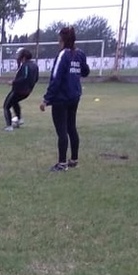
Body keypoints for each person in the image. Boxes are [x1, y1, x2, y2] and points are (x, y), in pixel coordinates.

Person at [40, 26, 90, 171]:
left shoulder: (63, 55)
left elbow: (55, 78)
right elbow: (85, 71)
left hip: (61, 98)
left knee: (62, 131)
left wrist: (46, 99)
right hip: (74, 97)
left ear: (61, 39)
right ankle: (74, 160)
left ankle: (62, 164)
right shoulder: (79, 54)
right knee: (71, 127)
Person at [2, 48, 39, 131]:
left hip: (19, 90)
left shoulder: (25, 65)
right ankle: (19, 119)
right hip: (27, 91)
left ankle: (9, 126)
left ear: (23, 57)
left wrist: (13, 82)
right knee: (14, 102)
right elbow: (36, 78)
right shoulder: (35, 65)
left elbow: (24, 77)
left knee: (6, 106)